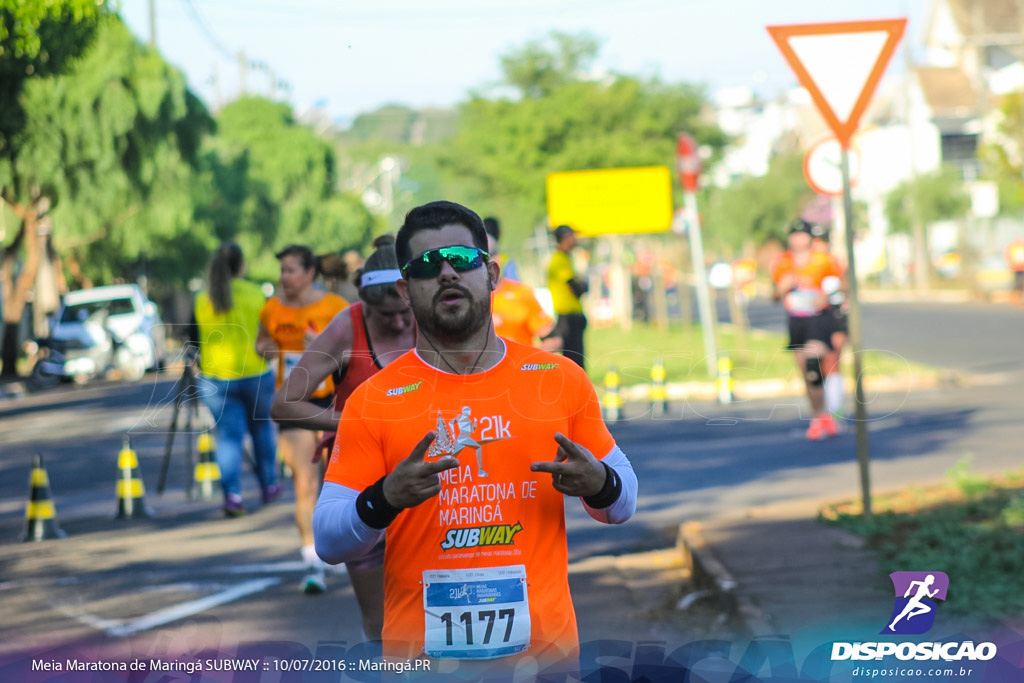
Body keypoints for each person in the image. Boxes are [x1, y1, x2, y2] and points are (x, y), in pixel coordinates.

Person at [313, 200, 637, 674]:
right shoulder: (373, 399)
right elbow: (328, 539)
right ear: (406, 289)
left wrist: (599, 483)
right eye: (427, 265)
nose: (446, 273)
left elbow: (623, 503)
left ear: (491, 274)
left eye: (462, 260)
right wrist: (383, 499)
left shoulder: (558, 378)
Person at [271, 235, 415, 637]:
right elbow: (285, 403)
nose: (401, 323)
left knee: (430, 613)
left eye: (405, 312)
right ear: (365, 302)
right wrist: (353, 422)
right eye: (387, 316)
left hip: (426, 479)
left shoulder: (428, 317)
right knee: (379, 624)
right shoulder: (347, 325)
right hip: (360, 480)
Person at [256, 245, 349, 595]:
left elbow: (354, 351)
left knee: (335, 481)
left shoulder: (335, 308)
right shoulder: (272, 308)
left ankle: (338, 549)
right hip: (293, 401)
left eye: (291, 270)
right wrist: (268, 348)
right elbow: (261, 343)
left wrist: (323, 348)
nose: (284, 277)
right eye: (281, 270)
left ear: (310, 273)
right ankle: (312, 562)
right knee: (304, 484)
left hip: (331, 400)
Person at [190, 242, 279, 517]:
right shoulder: (256, 294)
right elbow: (271, 331)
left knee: (229, 438)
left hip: (216, 379)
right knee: (262, 431)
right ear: (242, 265)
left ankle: (233, 496)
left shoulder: (202, 298)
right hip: (256, 372)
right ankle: (269, 486)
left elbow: (192, 338)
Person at [769, 218, 844, 441]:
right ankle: (818, 415)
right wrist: (782, 288)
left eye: (802, 235)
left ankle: (827, 412)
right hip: (796, 321)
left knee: (814, 361)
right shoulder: (782, 263)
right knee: (807, 372)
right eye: (794, 235)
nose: (798, 239)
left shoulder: (824, 260)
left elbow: (842, 284)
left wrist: (827, 295)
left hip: (819, 319)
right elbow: (773, 295)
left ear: (810, 238)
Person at [483, 216, 560, 351]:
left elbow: (553, 340)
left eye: (485, 259)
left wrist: (527, 363)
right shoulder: (464, 301)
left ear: (497, 260)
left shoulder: (521, 293)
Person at [810, 225, 848, 419]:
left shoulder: (834, 262)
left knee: (833, 361)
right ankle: (823, 409)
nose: (818, 246)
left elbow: (845, 284)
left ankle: (835, 410)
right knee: (815, 364)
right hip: (815, 317)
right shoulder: (809, 264)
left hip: (835, 315)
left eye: (821, 241)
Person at [547, 224, 589, 369]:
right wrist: (583, 284)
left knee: (577, 360)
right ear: (565, 238)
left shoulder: (566, 259)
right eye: (572, 235)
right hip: (567, 318)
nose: (575, 238)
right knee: (574, 362)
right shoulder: (559, 261)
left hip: (572, 316)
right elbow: (577, 288)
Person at [1004, 236, 1024, 303]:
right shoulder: (1012, 247)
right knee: (1016, 282)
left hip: (1022, 267)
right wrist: (1009, 263)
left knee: (1020, 282)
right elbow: (1008, 255)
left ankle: (1020, 296)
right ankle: (1015, 297)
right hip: (1015, 267)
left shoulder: (1021, 246)